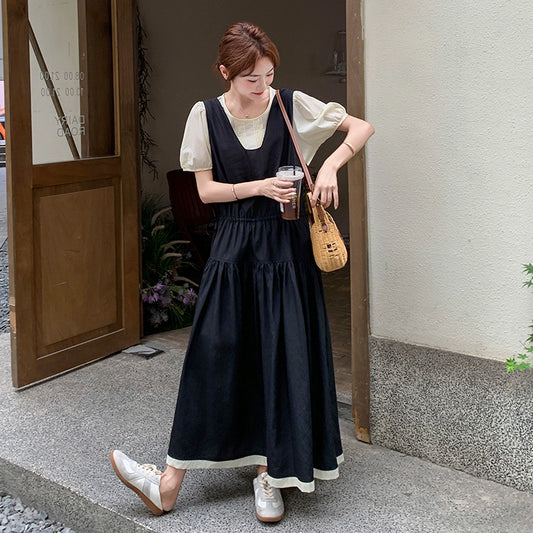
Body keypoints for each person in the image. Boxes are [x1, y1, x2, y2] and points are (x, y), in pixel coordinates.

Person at [110, 21, 374, 523]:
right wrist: (259, 187)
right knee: (212, 355)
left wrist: (329, 167)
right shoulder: (204, 115)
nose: (264, 85)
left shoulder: (290, 104)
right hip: (232, 250)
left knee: (281, 353)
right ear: (225, 72)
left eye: (269, 74)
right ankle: (167, 484)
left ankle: (269, 477)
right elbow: (205, 191)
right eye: (253, 78)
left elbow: (361, 127)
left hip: (287, 252)